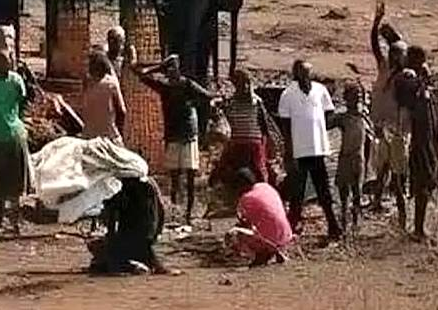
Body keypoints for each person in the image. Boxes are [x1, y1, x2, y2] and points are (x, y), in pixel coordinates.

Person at [136, 55, 217, 223]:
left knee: (188, 176)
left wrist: (158, 67)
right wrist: (158, 66)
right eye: (169, 68)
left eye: (174, 67)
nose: (172, 70)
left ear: (178, 69)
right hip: (176, 134)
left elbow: (207, 96)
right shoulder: (166, 86)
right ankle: (176, 212)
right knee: (176, 177)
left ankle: (187, 214)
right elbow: (139, 74)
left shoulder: (184, 85)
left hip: (187, 134)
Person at [278, 60, 343, 240]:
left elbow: (329, 113)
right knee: (297, 192)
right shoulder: (287, 94)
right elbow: (285, 126)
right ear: (296, 74)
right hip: (299, 151)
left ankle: (333, 227)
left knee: (324, 190)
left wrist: (319, 126)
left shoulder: (320, 90)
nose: (305, 77)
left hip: (317, 149)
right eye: (302, 73)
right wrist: (289, 151)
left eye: (308, 73)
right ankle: (289, 230)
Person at [395, 46, 438, 241]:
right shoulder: (406, 79)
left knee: (429, 182)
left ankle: (420, 226)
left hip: (432, 141)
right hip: (419, 141)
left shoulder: (426, 86)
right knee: (421, 184)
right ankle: (418, 229)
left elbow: (437, 111)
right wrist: (421, 80)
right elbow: (404, 96)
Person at [369, 2, 409, 225]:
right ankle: (377, 201)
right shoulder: (385, 67)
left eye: (398, 54)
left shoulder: (406, 77)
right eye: (393, 53)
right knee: (382, 167)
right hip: (382, 127)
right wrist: (375, 23)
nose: (394, 57)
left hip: (397, 131)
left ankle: (402, 212)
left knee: (396, 173)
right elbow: (375, 46)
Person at [0, 52, 30, 233]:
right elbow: (22, 103)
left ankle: (0, 221)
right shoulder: (16, 80)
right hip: (14, 134)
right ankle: (14, 222)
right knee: (15, 182)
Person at [211, 68, 275, 205]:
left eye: (244, 83)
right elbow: (223, 121)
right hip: (237, 143)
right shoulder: (231, 103)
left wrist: (269, 143)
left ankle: (266, 200)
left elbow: (264, 126)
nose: (243, 87)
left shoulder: (256, 102)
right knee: (223, 170)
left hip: (253, 144)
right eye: (239, 84)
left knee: (260, 173)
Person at [90, 176, 167, 275]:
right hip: (147, 232)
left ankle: (126, 266)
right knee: (143, 250)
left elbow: (113, 214)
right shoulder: (149, 183)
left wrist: (111, 239)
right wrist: (157, 231)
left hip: (133, 234)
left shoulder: (121, 186)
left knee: (112, 256)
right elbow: (161, 208)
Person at [227, 168, 293, 266]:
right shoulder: (265, 186)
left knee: (233, 233)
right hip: (287, 235)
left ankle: (262, 254)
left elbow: (247, 224)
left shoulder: (246, 198)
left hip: (271, 240)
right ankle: (275, 251)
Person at [335, 83, 371, 235]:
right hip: (346, 157)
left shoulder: (364, 117)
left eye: (358, 97)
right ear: (346, 99)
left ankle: (356, 223)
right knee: (344, 193)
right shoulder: (343, 118)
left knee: (357, 192)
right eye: (353, 97)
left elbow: (371, 139)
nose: (356, 100)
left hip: (358, 158)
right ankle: (344, 222)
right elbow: (327, 123)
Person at [82, 51, 127, 145]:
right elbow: (122, 111)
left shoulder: (87, 83)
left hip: (88, 137)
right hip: (109, 136)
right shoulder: (111, 83)